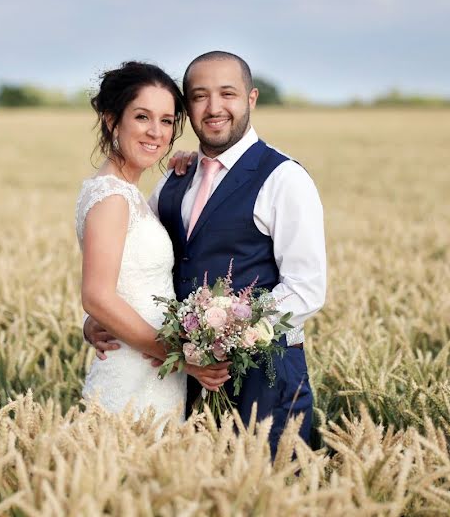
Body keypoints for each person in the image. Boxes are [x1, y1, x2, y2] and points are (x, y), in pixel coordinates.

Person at [84, 51, 327, 454]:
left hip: (263, 378)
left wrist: (225, 334)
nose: (214, 108)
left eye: (227, 94)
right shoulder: (175, 179)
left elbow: (306, 288)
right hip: (182, 379)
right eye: (199, 96)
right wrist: (95, 319)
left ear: (250, 99)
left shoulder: (284, 179)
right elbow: (134, 262)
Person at [76, 61, 230, 421]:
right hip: (134, 371)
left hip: (152, 368)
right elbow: (97, 296)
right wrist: (180, 354)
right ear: (113, 120)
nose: (156, 132)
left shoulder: (125, 192)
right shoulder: (113, 197)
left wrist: (190, 170)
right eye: (142, 117)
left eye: (166, 121)